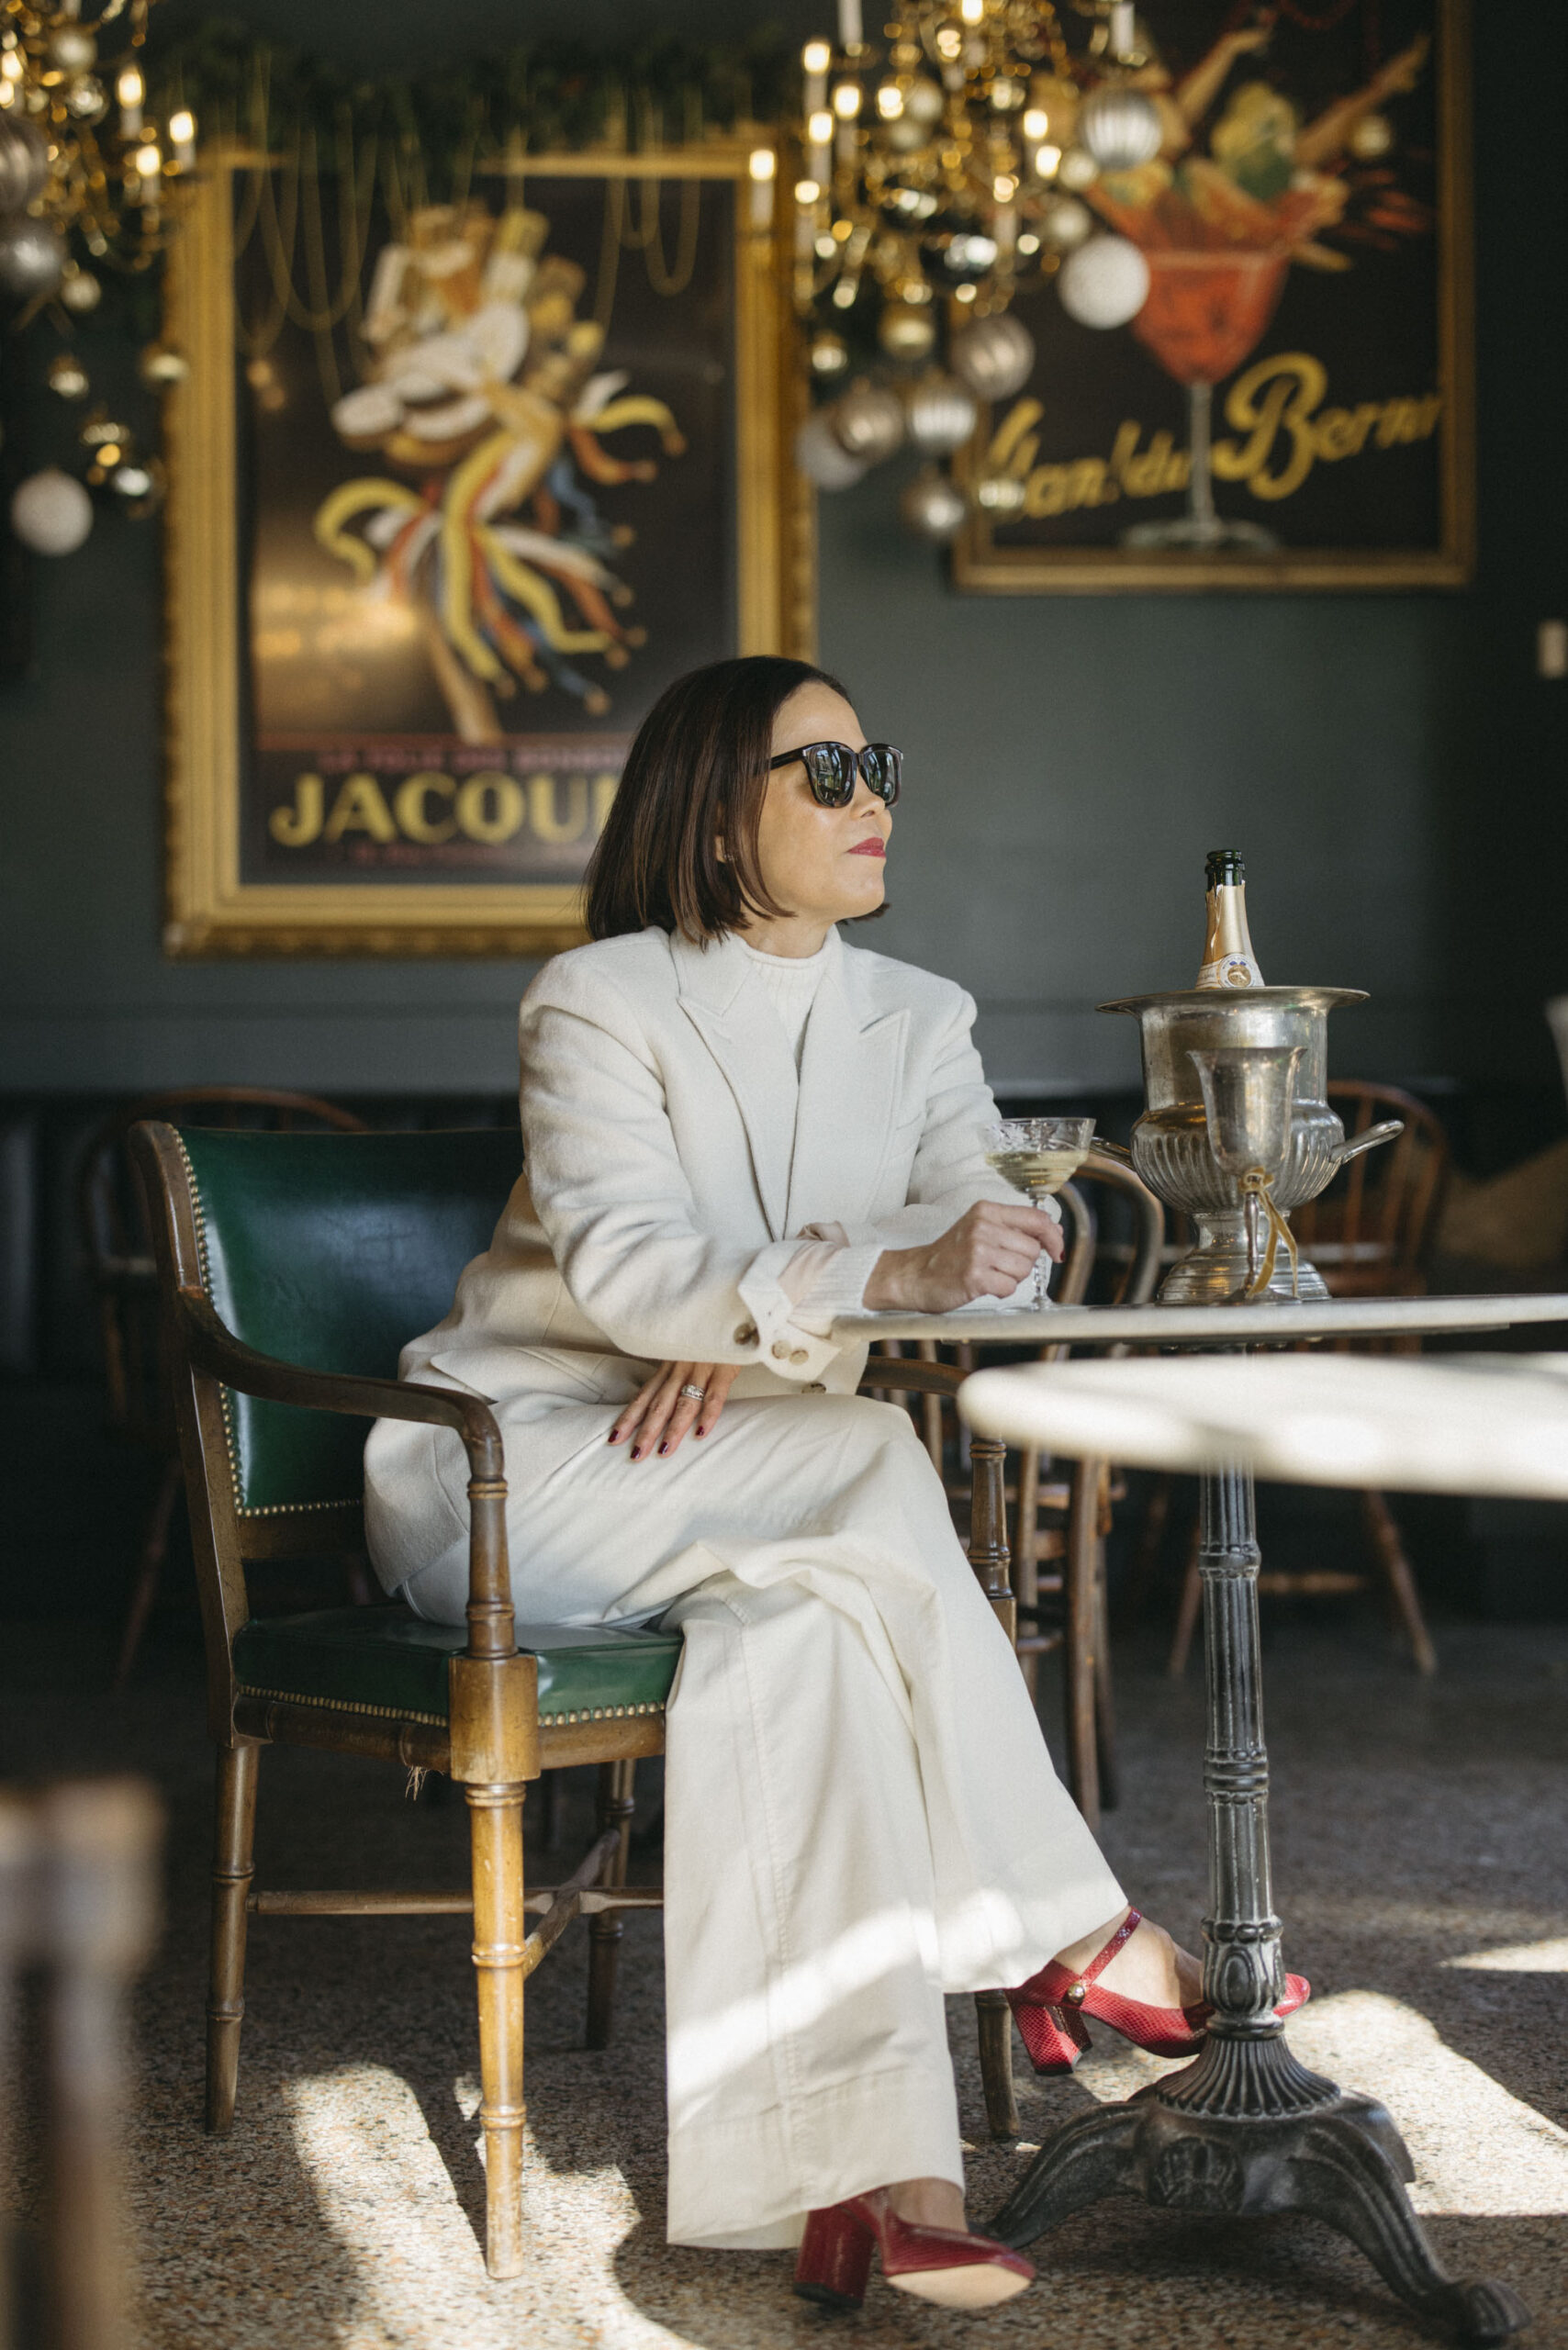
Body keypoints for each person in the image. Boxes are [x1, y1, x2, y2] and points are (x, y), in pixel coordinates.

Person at [364, 655, 1305, 2311]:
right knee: (867, 1445)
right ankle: (1068, 1931)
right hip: (525, 1476)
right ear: (715, 810)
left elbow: (990, 1244)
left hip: (749, 1471)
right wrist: (815, 1296)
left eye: (876, 761)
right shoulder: (599, 998)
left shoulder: (920, 1014)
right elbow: (639, 1270)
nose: (872, 795)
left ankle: (872, 2181)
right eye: (823, 771)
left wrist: (791, 1312)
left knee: (807, 1662)